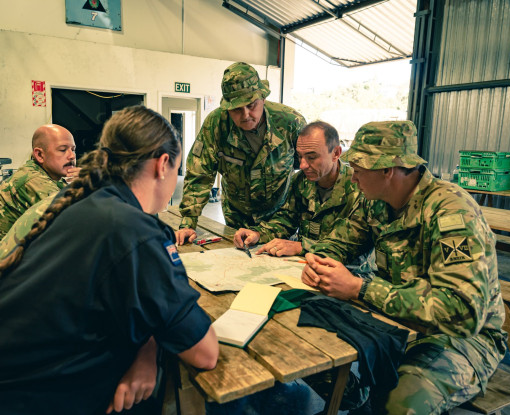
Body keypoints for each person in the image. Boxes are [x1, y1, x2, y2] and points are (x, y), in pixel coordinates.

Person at [0, 106, 219, 414]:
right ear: (163, 164)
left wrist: (148, 345)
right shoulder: (136, 231)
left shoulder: (85, 203)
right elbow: (205, 353)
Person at [302, 121, 507, 414]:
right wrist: (318, 262)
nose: (352, 179)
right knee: (310, 351)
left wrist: (361, 288)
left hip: (461, 339)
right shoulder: (377, 202)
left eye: (359, 171)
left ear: (388, 170)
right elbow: (339, 242)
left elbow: (461, 313)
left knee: (399, 404)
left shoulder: (452, 213)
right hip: (395, 321)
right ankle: (357, 396)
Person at [176, 62, 306, 244]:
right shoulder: (216, 124)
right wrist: (188, 222)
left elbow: (308, 171)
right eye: (237, 109)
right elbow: (200, 174)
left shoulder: (290, 122)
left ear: (263, 98)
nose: (245, 115)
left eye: (252, 105)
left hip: (279, 222)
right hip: (237, 221)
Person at [233, 121, 362, 258]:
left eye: (311, 157)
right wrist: (258, 234)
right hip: (307, 264)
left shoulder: (359, 187)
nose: (303, 165)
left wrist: (301, 246)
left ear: (336, 153)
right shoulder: (301, 181)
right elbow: (286, 220)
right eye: (300, 156)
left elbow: (351, 245)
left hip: (349, 272)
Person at [0, 124, 80, 238]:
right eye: (63, 150)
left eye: (73, 150)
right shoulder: (33, 180)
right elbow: (76, 221)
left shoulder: (52, 176)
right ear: (39, 155)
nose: (72, 156)